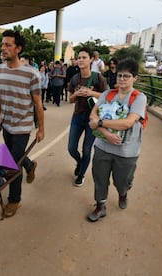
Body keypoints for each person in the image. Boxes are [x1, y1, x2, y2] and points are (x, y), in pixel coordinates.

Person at [87, 58, 147, 222]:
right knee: (99, 178)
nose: (122, 79)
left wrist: (99, 123)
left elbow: (127, 123)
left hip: (126, 150)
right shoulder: (107, 95)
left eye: (126, 76)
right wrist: (105, 133)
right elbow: (93, 115)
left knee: (122, 181)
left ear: (135, 78)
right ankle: (100, 206)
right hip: (102, 147)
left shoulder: (139, 98)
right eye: (120, 75)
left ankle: (123, 192)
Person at [0, 30, 44, 218]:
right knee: (17, 158)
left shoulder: (31, 74)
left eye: (8, 45)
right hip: (7, 123)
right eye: (2, 45)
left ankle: (14, 200)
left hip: (23, 125)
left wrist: (41, 129)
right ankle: (30, 166)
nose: (3, 48)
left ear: (18, 49)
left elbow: (38, 103)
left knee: (12, 166)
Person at [67, 47, 107, 186]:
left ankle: (82, 174)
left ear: (91, 59)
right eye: (79, 58)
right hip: (77, 117)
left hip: (92, 118)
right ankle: (79, 162)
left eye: (84, 57)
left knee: (86, 149)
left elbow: (106, 97)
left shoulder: (98, 78)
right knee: (71, 148)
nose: (81, 60)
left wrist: (92, 93)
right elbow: (70, 99)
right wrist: (76, 94)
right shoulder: (75, 79)